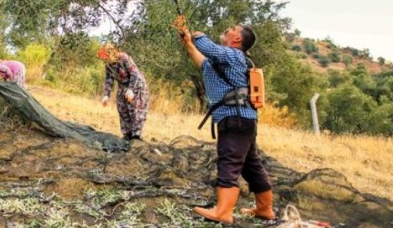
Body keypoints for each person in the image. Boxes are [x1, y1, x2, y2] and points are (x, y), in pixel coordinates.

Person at [173, 15, 275, 225]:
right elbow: (202, 60)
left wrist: (197, 35)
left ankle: (223, 212)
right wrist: (188, 42)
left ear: (237, 38)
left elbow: (208, 48)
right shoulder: (224, 62)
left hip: (234, 119)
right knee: (251, 165)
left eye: (232, 29)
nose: (228, 30)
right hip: (242, 121)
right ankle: (265, 209)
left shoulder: (234, 55)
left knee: (228, 161)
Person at [97, 43, 149, 140]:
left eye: (105, 57)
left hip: (137, 87)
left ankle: (136, 137)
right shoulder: (108, 65)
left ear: (111, 53)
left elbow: (134, 73)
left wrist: (131, 90)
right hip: (123, 87)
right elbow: (109, 79)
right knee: (122, 109)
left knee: (136, 112)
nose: (104, 60)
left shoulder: (123, 58)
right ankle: (127, 135)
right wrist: (106, 95)